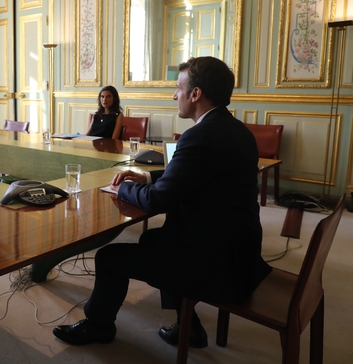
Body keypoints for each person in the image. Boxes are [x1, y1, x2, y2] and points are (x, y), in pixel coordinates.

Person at [53, 56, 272, 348]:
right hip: (239, 251)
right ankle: (189, 327)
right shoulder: (237, 130)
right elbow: (190, 174)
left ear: (195, 94)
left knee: (108, 258)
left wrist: (122, 189)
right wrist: (145, 176)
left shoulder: (199, 136)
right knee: (156, 241)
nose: (174, 95)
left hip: (217, 265)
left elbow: (158, 201)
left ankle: (98, 326)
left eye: (179, 88)